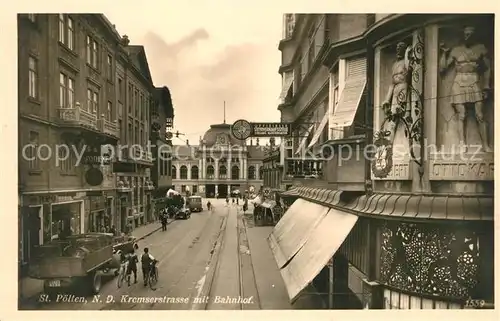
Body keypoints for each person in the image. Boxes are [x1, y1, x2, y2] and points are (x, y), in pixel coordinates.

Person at [439, 26, 492, 152]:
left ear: (474, 35)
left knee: (480, 115)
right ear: (463, 35)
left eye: (470, 34)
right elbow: (442, 68)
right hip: (459, 82)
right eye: (466, 34)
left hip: (474, 81)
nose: (468, 36)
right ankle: (462, 144)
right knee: (461, 115)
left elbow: (488, 68)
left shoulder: (481, 49)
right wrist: (444, 53)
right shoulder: (456, 50)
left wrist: (486, 85)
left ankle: (486, 145)